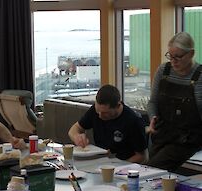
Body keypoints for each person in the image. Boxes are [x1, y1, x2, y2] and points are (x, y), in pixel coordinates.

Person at [147, 32, 202, 171]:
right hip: (161, 135)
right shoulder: (163, 71)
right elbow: (152, 102)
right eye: (170, 56)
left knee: (150, 170)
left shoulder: (199, 77)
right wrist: (152, 117)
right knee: (153, 176)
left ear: (191, 54)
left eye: (178, 57)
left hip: (186, 140)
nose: (173, 61)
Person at [68, 84, 147, 163]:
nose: (100, 115)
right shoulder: (95, 111)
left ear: (118, 106)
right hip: (99, 161)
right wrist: (77, 137)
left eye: (105, 113)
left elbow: (142, 156)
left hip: (123, 164)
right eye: (98, 111)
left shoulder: (133, 120)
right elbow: (74, 129)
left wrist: (119, 167)